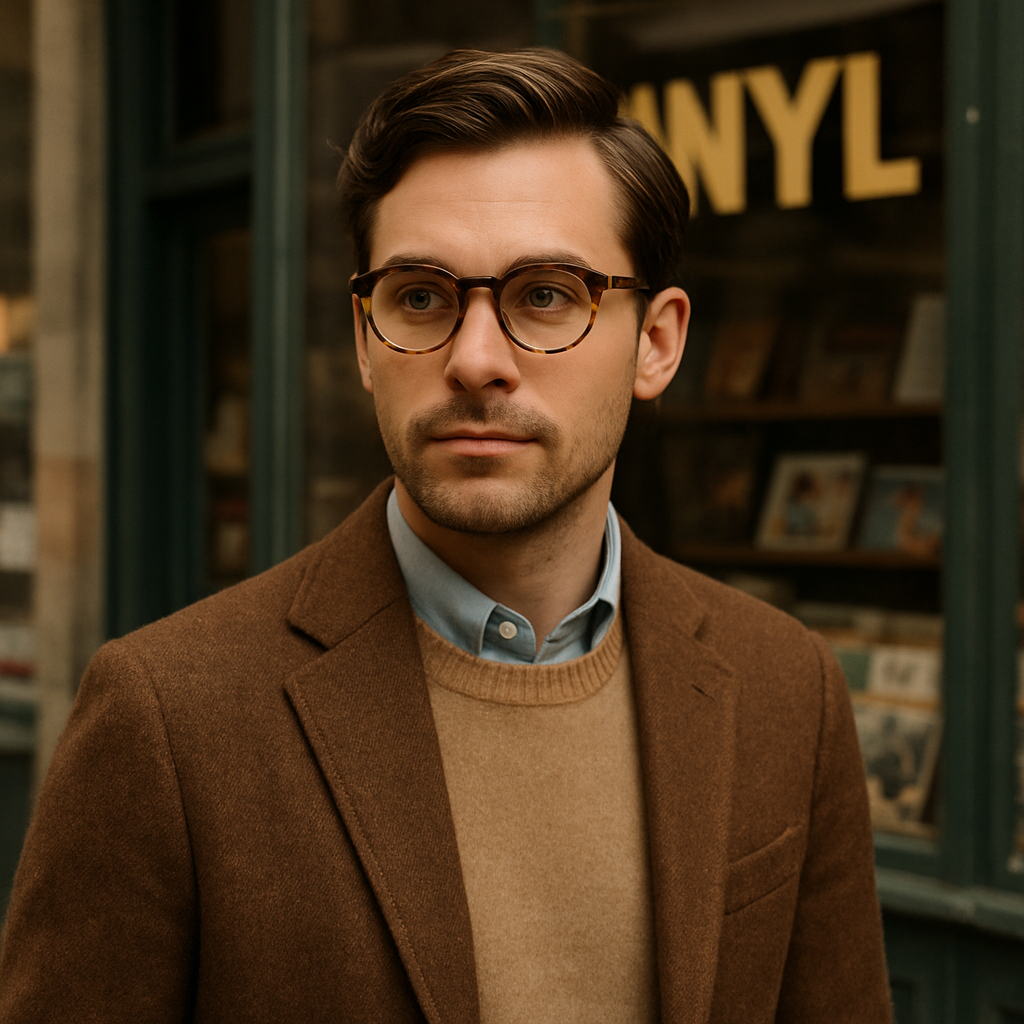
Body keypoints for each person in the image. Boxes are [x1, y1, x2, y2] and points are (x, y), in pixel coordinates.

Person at [0, 48, 892, 1023]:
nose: (474, 360)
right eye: (419, 297)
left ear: (658, 342)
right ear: (363, 340)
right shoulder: (166, 720)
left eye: (545, 294)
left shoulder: (784, 690)